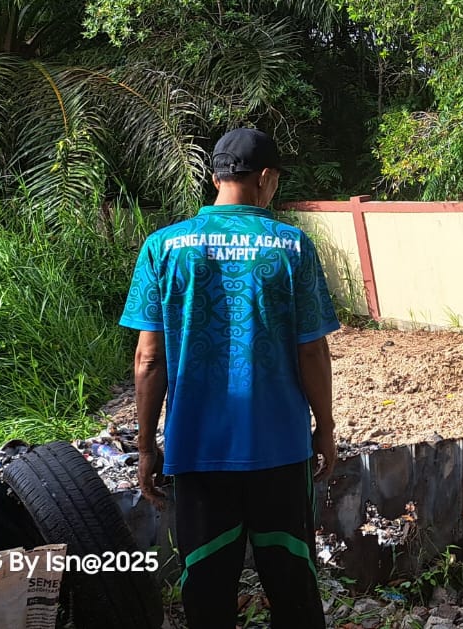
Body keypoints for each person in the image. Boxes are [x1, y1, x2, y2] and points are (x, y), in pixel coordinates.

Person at [121, 127, 339, 629]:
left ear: (217, 177)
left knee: (207, 588)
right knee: (293, 587)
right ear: (265, 177)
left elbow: (148, 359)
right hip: (280, 452)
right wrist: (324, 428)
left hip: (197, 452)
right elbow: (312, 350)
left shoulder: (163, 248)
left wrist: (149, 444)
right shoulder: (290, 246)